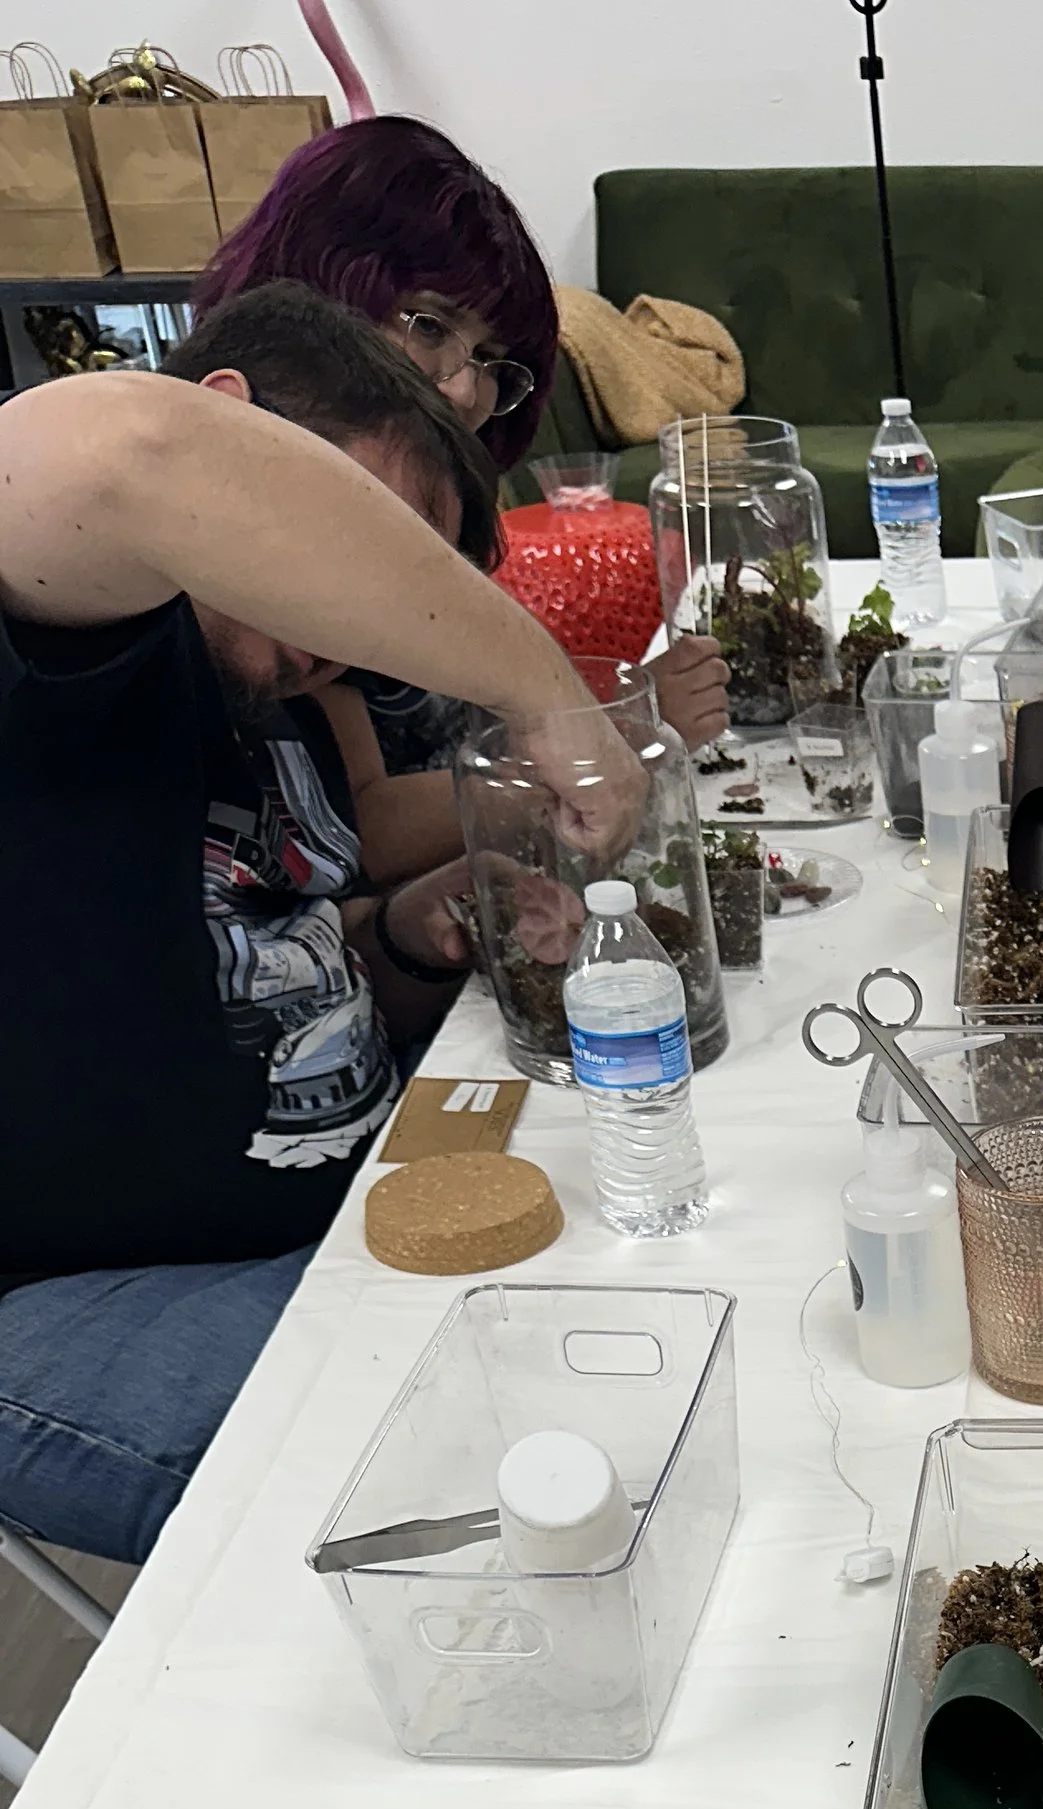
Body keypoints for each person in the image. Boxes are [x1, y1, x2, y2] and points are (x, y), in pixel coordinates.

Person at [0, 282, 635, 1565]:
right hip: (79, 1294)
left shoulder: (284, 699)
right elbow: (129, 448)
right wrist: (547, 695)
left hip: (352, 1212)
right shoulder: (74, 646)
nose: (357, 628)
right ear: (231, 417)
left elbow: (253, 979)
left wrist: (403, 934)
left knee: (658, 1316)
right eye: (362, 538)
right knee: (530, 1478)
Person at [192, 115, 723, 879]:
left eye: (492, 362)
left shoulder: (419, 504)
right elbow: (356, 822)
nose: (469, 390)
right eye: (432, 325)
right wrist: (617, 735)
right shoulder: (262, 558)